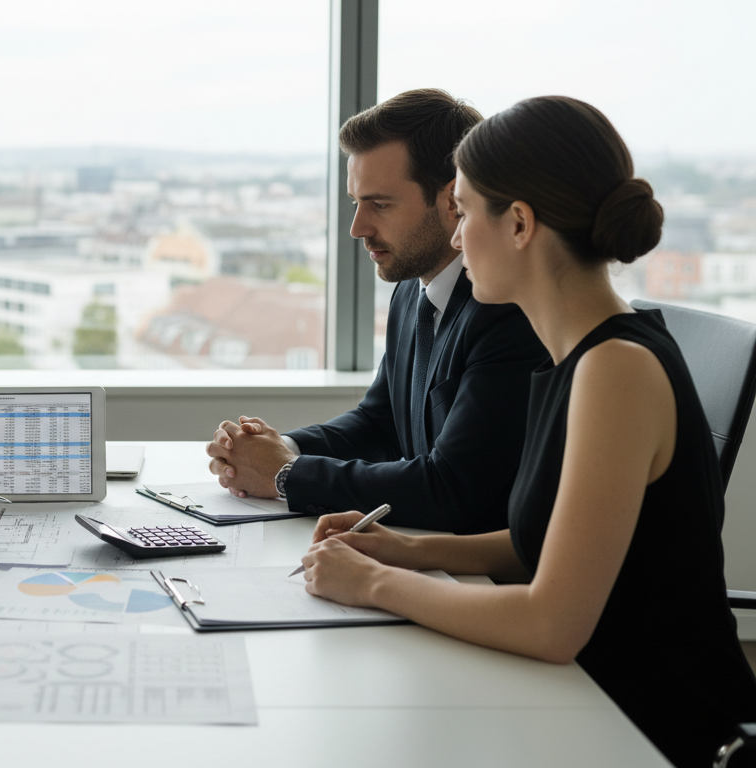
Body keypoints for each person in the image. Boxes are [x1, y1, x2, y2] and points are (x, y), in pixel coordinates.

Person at [298, 95, 756, 767]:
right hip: (583, 699)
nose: (456, 238)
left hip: (652, 730)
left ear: (518, 224)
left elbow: (550, 625)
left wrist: (371, 583)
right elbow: (538, 544)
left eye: (465, 213)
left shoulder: (616, 368)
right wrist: (404, 551)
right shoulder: (574, 358)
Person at [206, 89, 547, 534]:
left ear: (452, 201)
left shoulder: (508, 311)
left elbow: (450, 490)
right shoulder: (412, 289)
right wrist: (277, 448)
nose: (357, 227)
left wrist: (285, 474)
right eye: (356, 202)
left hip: (474, 565)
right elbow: (380, 423)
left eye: (380, 204)